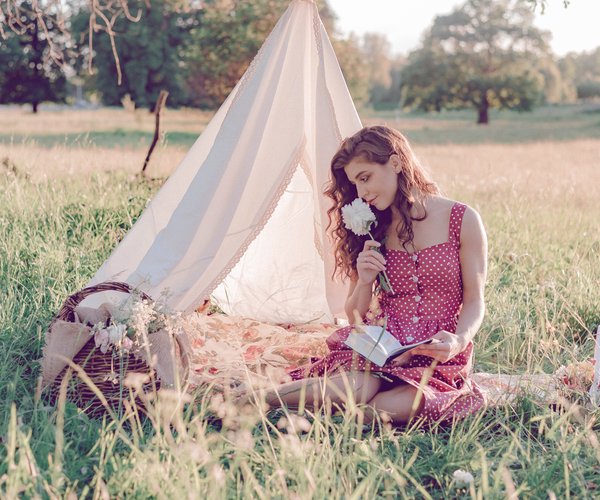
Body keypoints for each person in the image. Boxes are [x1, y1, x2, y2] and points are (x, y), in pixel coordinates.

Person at [242, 125, 487, 425]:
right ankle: (254, 398)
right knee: (360, 388)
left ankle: (320, 410)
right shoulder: (372, 228)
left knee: (398, 407)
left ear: (395, 163)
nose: (362, 193)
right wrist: (366, 279)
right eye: (355, 184)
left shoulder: (462, 219)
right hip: (382, 347)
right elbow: (354, 313)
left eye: (365, 178)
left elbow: (475, 301)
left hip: (438, 354)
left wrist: (459, 340)